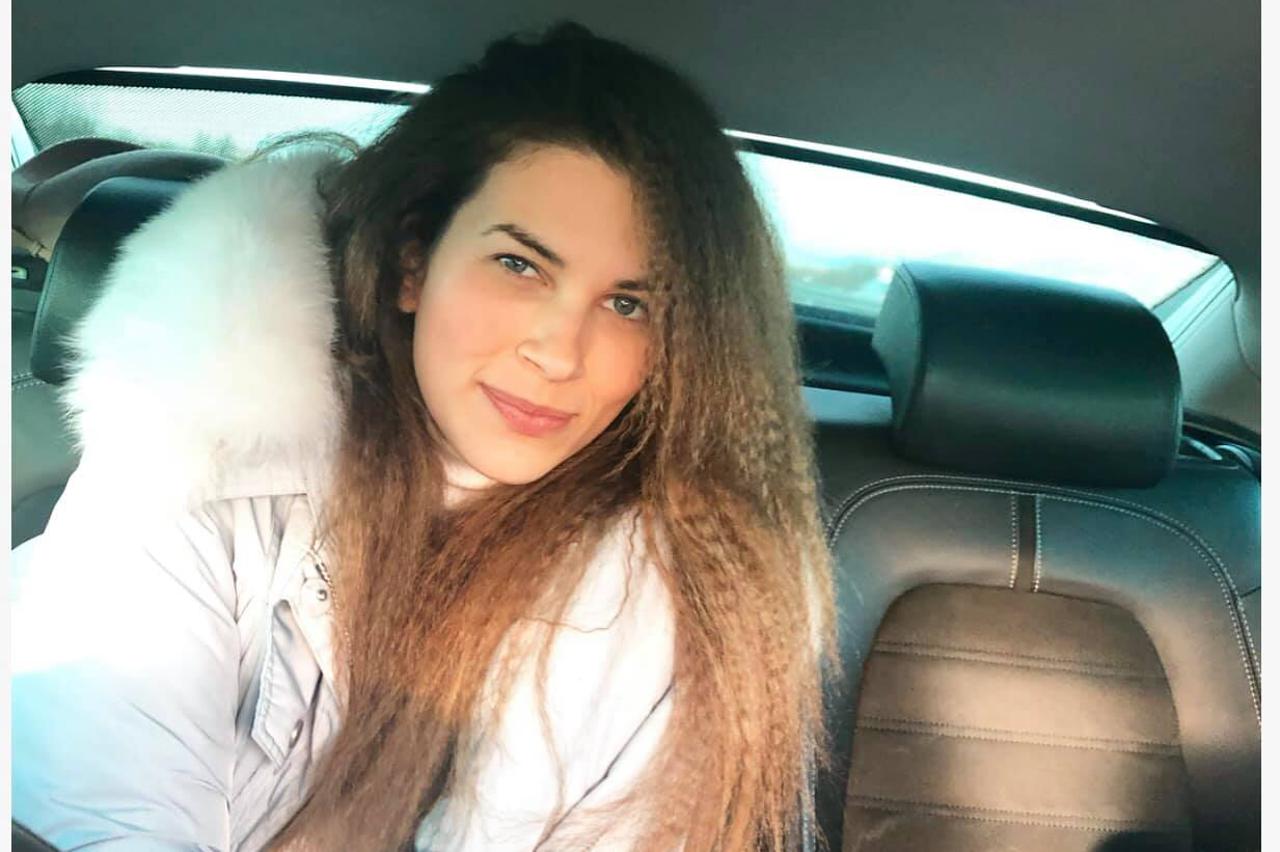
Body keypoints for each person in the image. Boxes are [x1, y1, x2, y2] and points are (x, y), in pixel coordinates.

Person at [10, 22, 835, 851]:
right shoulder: (197, 460)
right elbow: (106, 814)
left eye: (628, 304)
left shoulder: (674, 596)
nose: (559, 354)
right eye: (519, 265)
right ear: (413, 263)